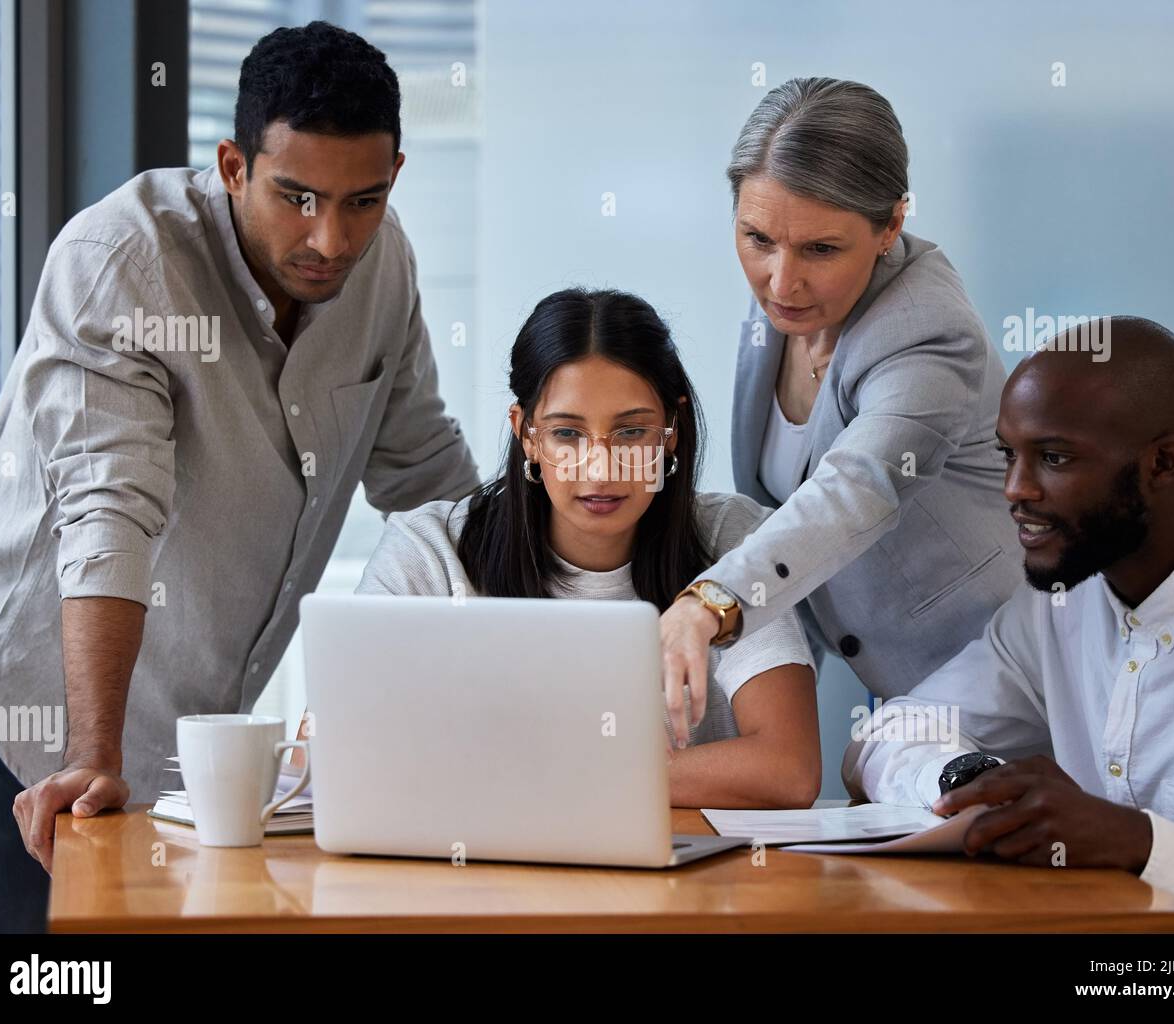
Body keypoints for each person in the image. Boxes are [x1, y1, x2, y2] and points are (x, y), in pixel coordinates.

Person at [0, 22, 478, 933]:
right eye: (298, 196)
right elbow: (107, 511)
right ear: (233, 164)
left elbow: (428, 475)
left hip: (180, 750)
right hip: (22, 722)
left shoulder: (381, 262)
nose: (330, 237)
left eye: (362, 199)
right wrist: (91, 752)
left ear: (395, 173)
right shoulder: (123, 261)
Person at [843, 317, 1174, 933]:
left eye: (1054, 458)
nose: (1015, 489)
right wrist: (973, 781)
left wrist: (1139, 843)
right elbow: (883, 735)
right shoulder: (1058, 603)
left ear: (1163, 463)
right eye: (1008, 454)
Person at [347, 288, 822, 809]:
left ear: (670, 433)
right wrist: (624, 772)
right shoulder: (428, 550)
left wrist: (542, 771)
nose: (600, 469)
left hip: (680, 880)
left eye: (631, 432)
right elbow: (338, 748)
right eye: (567, 433)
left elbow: (788, 769)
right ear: (526, 435)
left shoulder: (734, 541)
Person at [656, 77, 1021, 746]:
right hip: (898, 703)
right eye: (757, 237)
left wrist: (710, 601)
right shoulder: (791, 300)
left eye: (821, 249)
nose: (781, 280)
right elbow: (781, 517)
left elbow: (856, 490)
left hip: (1007, 686)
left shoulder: (929, 331)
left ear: (891, 226)